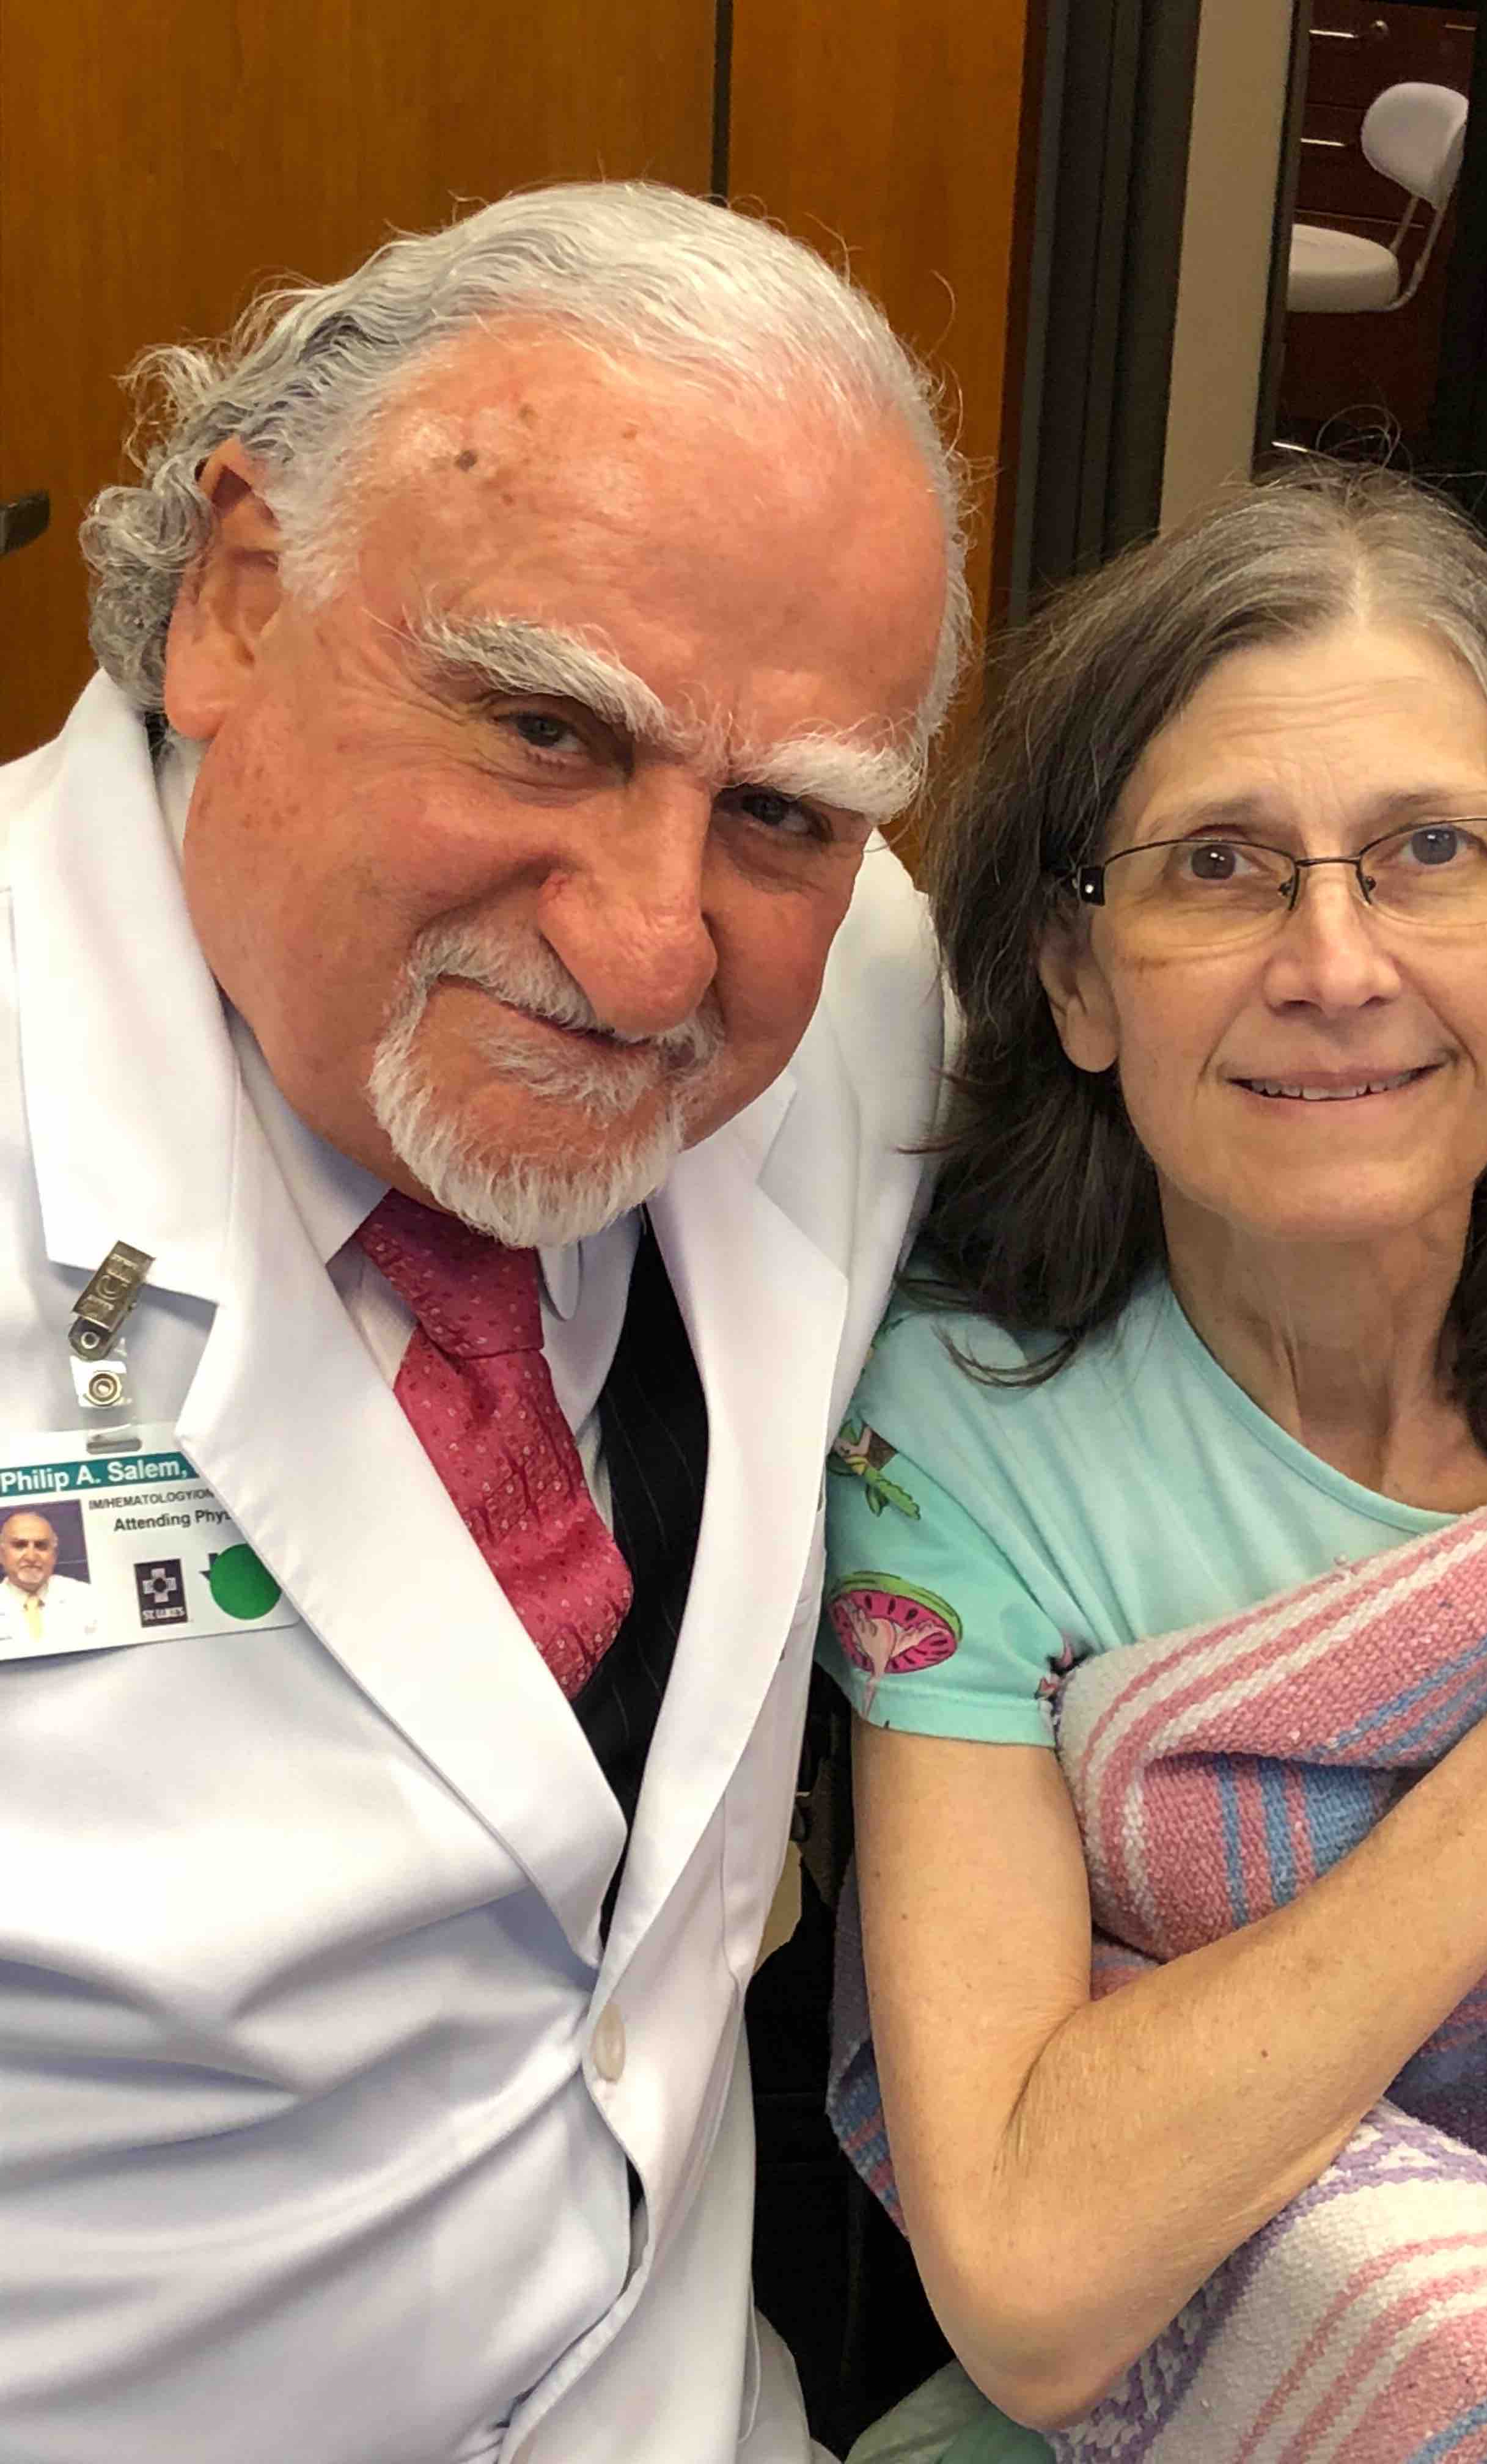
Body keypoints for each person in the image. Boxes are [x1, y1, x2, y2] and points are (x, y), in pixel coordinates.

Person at [0, 183, 966, 2463]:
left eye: (781, 812)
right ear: (241, 599)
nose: (648, 951)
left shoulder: (855, 993)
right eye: (544, 727)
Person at [817, 464, 1487, 2459]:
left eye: (1430, 851)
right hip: (1274, 2325)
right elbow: (1028, 2278)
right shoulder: (974, 1425)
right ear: (1072, 976)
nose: (1334, 962)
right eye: (1217, 865)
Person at [0, 1509, 98, 1650]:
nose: (31, 1557)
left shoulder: (87, 1597)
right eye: (20, 1545)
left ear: (54, 1556)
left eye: (41, 1546)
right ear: (1, 1554)